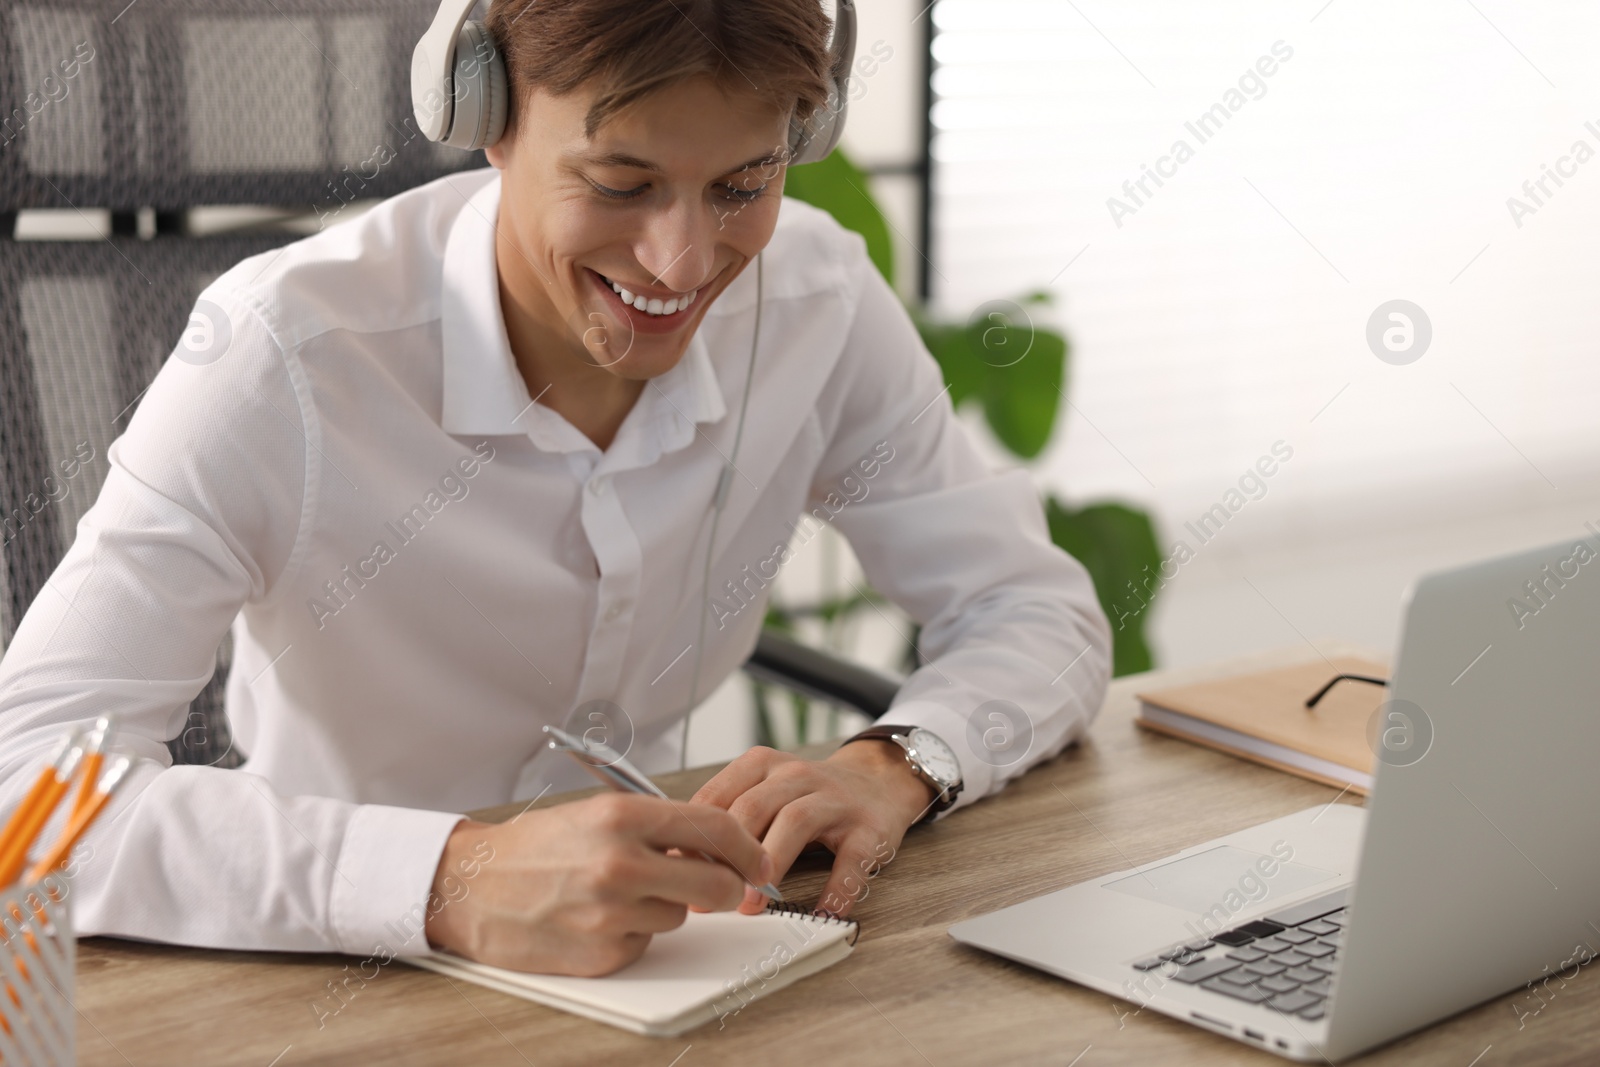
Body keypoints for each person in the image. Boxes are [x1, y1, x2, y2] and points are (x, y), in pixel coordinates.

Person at [0, 0, 1109, 979]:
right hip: (322, 970)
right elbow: (21, 798)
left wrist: (897, 762)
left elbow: (1034, 608)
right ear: (483, 116)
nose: (681, 262)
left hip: (662, 959)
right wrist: (451, 876)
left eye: (743, 183)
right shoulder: (283, 351)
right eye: (620, 184)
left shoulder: (815, 296)